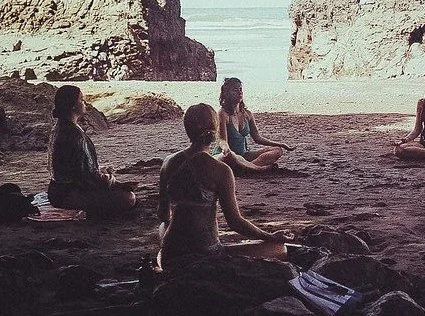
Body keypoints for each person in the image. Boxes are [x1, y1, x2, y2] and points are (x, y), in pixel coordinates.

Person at [158, 104, 292, 270]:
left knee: (164, 226)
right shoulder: (220, 170)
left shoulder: (168, 162)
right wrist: (270, 236)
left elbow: (163, 214)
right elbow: (235, 222)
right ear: (215, 129)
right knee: (278, 249)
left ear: (187, 129)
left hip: (169, 256)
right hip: (205, 254)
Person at [47, 85, 136, 216]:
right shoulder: (74, 134)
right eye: (81, 100)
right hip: (68, 195)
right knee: (128, 198)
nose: (84, 103)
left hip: (55, 191)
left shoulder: (59, 128)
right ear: (72, 106)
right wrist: (113, 182)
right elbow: (88, 178)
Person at [216, 77, 293, 173]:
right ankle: (256, 169)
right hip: (227, 155)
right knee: (232, 156)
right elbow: (222, 140)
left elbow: (257, 138)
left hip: (244, 156)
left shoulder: (247, 114)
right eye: (235, 90)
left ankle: (246, 168)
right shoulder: (222, 114)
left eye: (240, 89)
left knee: (277, 150)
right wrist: (225, 149)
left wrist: (280, 144)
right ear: (226, 94)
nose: (239, 93)